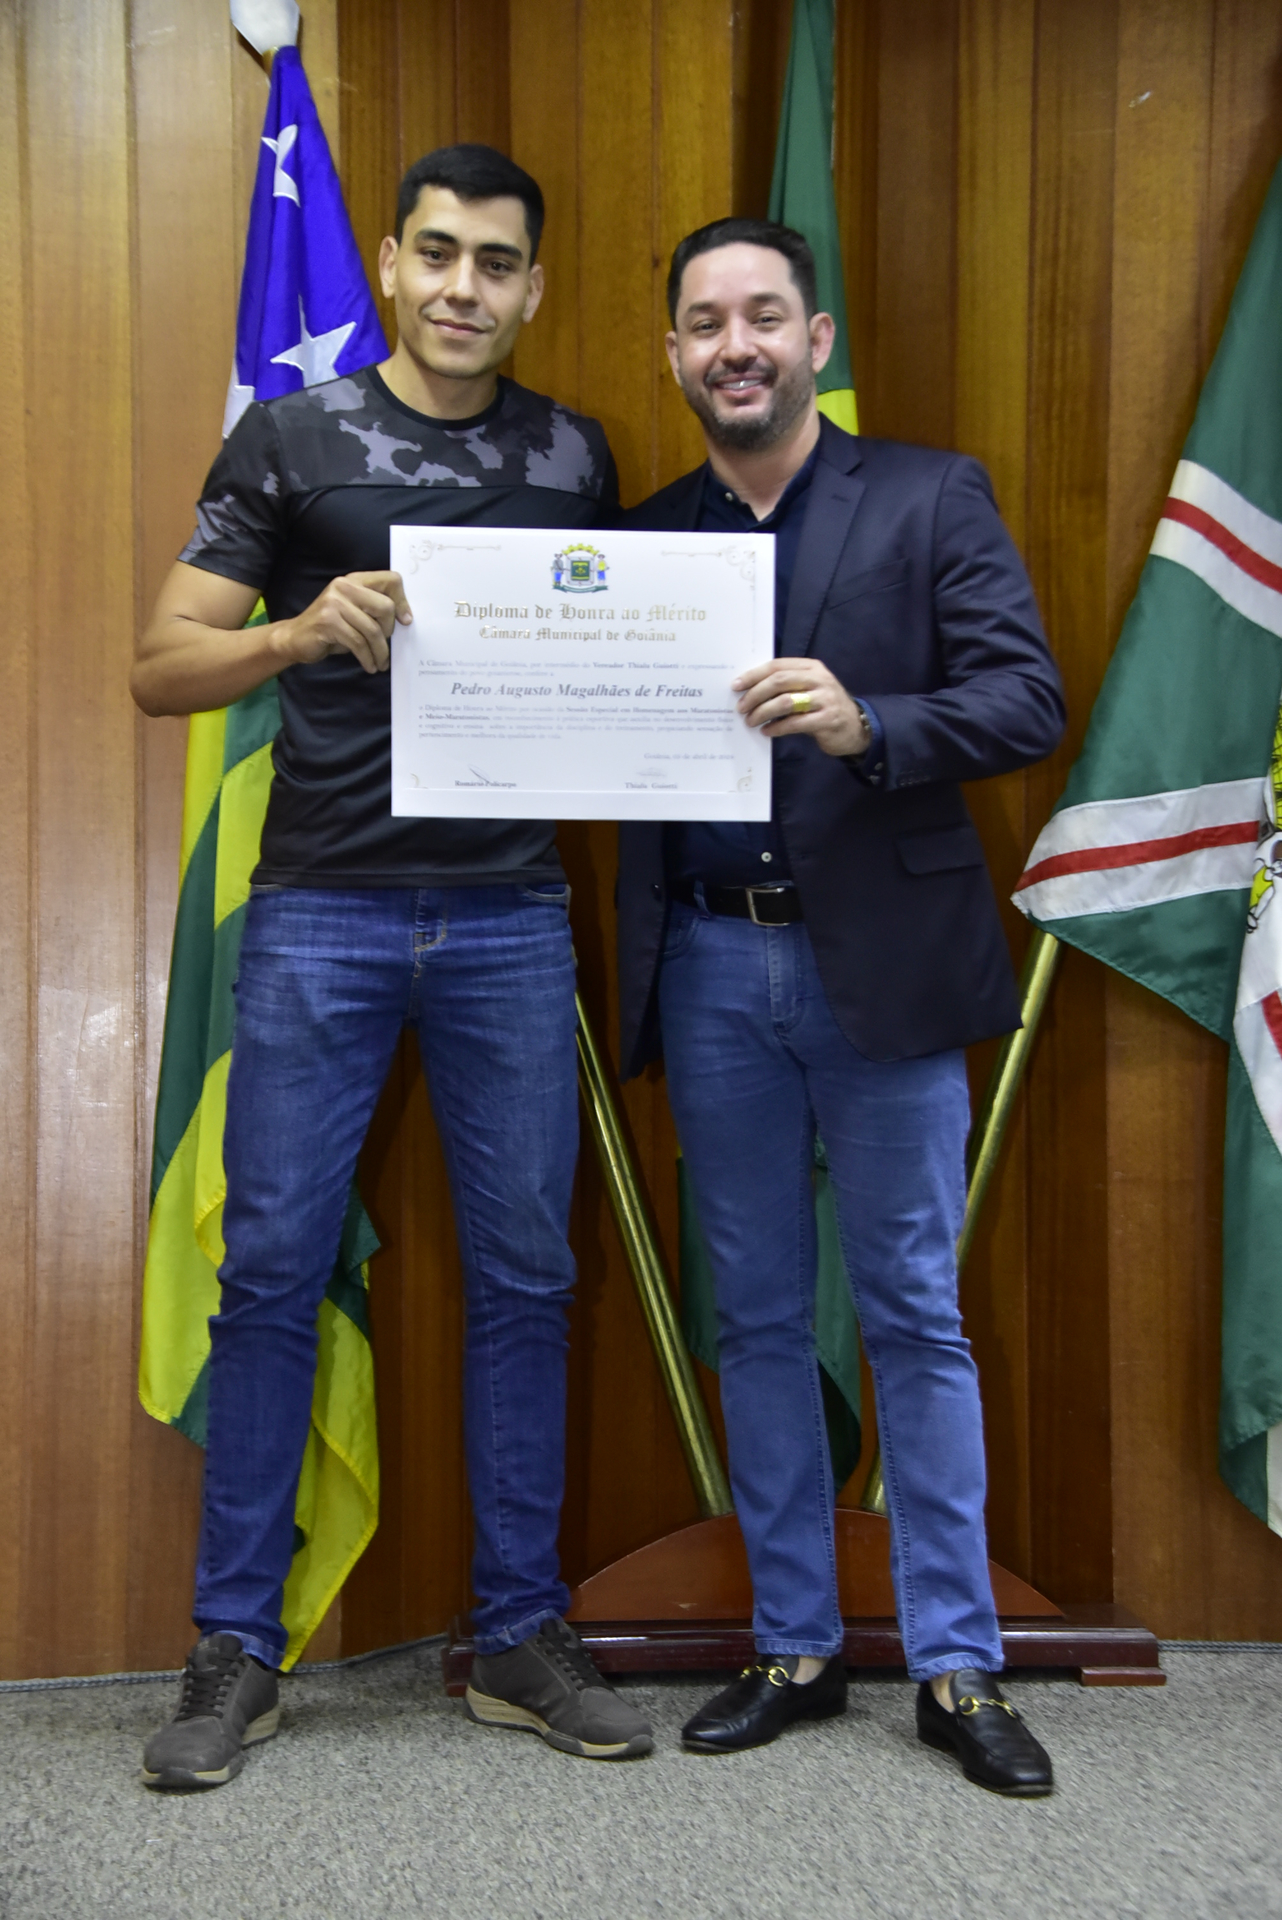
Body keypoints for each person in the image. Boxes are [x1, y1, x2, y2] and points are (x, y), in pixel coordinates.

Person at [132, 144, 653, 1788]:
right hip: (320, 917)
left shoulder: (576, 453)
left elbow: (618, 661)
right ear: (389, 260)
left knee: (528, 1279)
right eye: (436, 255)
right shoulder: (293, 438)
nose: (461, 289)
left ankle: (517, 1635)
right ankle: (237, 1644)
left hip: (511, 919)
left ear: (532, 287)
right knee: (270, 1272)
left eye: (495, 264)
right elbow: (159, 665)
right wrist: (297, 632)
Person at [616, 217, 1066, 1794]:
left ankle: (956, 1664)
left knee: (912, 1317)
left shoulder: (929, 495)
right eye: (702, 323)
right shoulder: (643, 539)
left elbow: (1026, 698)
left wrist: (870, 719)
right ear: (674, 355)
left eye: (761, 316)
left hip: (882, 966)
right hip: (708, 965)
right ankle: (794, 1645)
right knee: (752, 1319)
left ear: (813, 340)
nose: (731, 345)